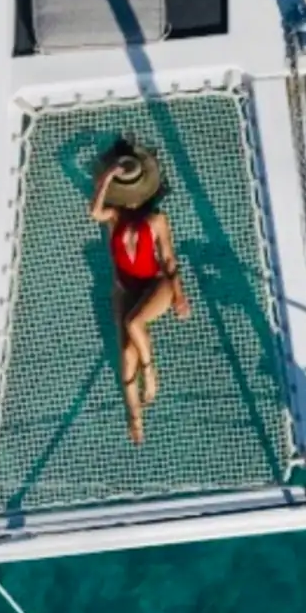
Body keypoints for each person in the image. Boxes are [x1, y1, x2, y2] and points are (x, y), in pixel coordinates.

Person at [88, 145, 192, 445]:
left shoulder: (157, 221)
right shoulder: (115, 217)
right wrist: (107, 177)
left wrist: (179, 296)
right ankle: (135, 420)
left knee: (134, 325)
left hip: (154, 285)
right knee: (124, 356)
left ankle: (151, 374)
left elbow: (169, 260)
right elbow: (94, 211)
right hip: (125, 290)